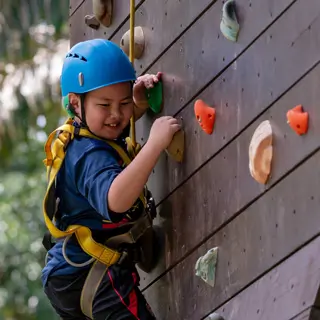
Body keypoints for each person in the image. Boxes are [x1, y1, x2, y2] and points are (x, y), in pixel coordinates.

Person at [41, 39, 181, 320]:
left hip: (72, 271)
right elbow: (115, 200)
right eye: (105, 104)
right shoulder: (88, 156)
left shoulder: (82, 136)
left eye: (124, 102)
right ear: (75, 104)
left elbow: (112, 130)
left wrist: (139, 104)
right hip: (93, 274)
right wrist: (154, 145)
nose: (116, 114)